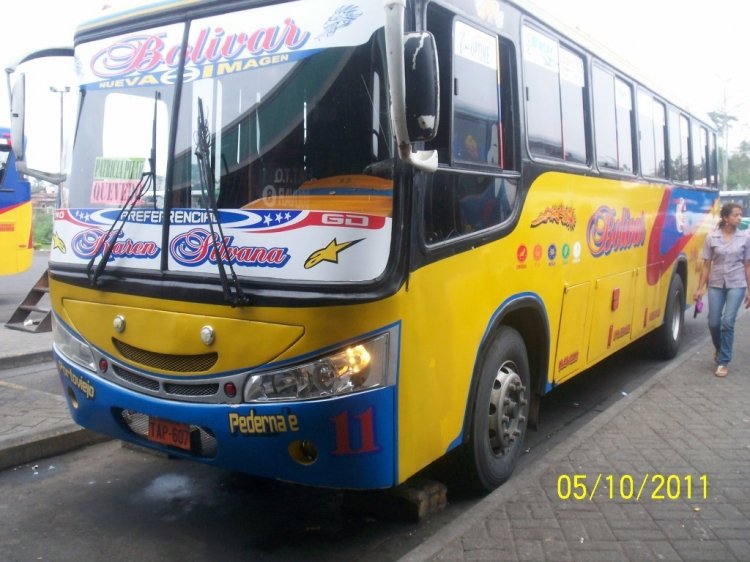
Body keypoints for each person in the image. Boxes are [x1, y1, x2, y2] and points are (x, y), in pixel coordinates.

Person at [693, 202, 750, 377]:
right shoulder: (712, 238)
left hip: (737, 283)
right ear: (725, 218)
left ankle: (723, 361)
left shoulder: (745, 238)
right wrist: (700, 288)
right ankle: (719, 348)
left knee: (728, 322)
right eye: (735, 215)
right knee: (713, 322)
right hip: (716, 283)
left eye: (740, 215)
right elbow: (706, 265)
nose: (739, 218)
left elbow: (747, 266)